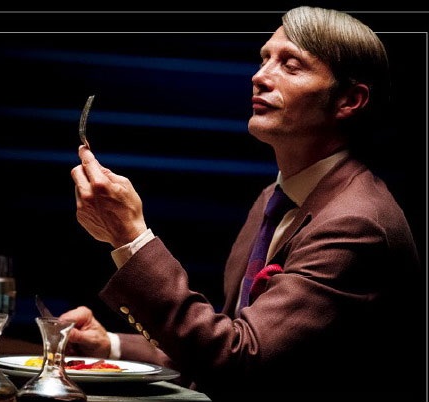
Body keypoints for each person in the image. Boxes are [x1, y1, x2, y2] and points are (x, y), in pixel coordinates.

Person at [62, 6, 424, 402]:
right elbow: (225, 343)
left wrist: (130, 237)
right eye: (264, 59)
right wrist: (110, 347)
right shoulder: (275, 199)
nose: (260, 76)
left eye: (291, 65)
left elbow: (238, 364)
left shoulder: (357, 223)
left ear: (349, 100)